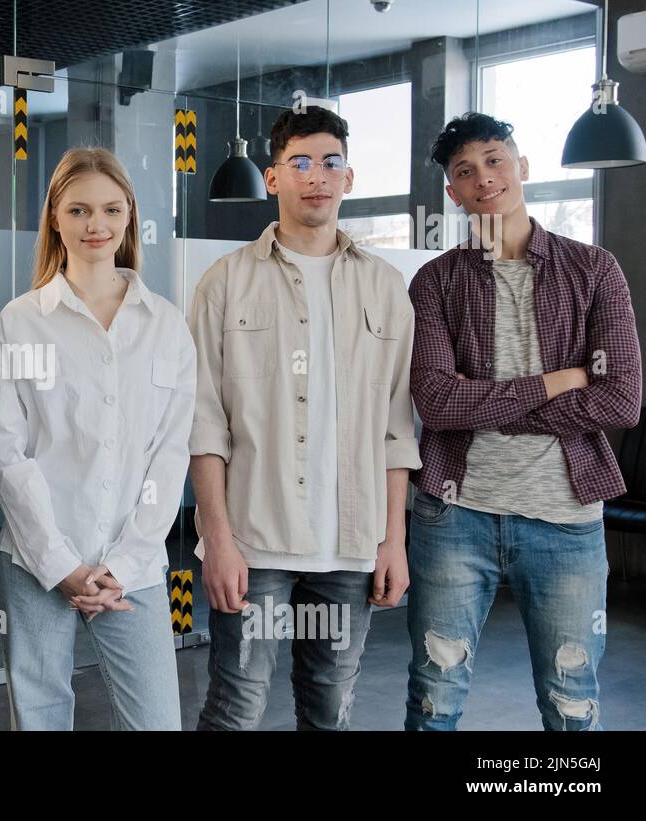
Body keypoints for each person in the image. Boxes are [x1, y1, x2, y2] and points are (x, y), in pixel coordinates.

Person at [405, 112, 641, 731]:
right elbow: (436, 403)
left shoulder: (594, 270)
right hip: (455, 513)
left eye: (494, 159)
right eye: (464, 171)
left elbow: (619, 401)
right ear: (452, 193)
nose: (483, 178)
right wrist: (556, 382)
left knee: (572, 706)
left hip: (566, 519)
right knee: (434, 701)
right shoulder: (435, 281)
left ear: (521, 166)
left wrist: (482, 398)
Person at [188, 106, 421, 730]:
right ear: (273, 178)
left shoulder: (385, 288)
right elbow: (203, 424)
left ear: (349, 178)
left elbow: (398, 429)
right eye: (300, 163)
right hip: (254, 541)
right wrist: (216, 540)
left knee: (330, 712)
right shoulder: (225, 282)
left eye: (330, 162)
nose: (316, 175)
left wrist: (393, 541)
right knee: (235, 709)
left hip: (350, 546)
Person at [0, 147, 195, 730]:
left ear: (129, 215)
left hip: (137, 565)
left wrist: (121, 565)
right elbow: (7, 454)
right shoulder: (19, 322)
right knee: (43, 721)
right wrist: (62, 564)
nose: (94, 226)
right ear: (55, 217)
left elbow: (170, 455)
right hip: (33, 562)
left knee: (156, 722)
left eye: (109, 209)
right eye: (78, 211)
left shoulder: (167, 325)